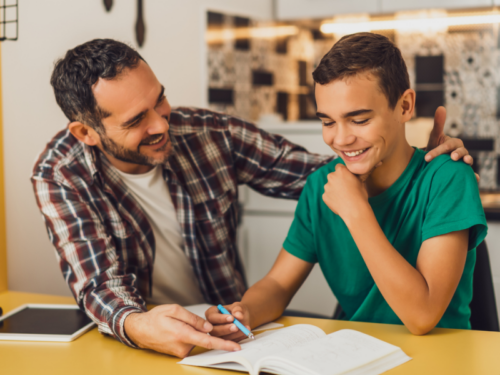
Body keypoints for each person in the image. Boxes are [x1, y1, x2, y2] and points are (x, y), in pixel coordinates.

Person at [32, 38, 473, 358]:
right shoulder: (59, 175)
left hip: (233, 328)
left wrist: (420, 155)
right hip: (153, 337)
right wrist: (141, 324)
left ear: (405, 104)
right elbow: (97, 284)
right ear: (86, 133)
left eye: (160, 100)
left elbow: (334, 166)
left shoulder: (211, 135)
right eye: (135, 120)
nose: (162, 124)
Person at [206, 32, 487, 340]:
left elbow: (422, 316)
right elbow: (278, 284)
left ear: (405, 106)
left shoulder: (448, 179)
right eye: (328, 122)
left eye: (359, 120)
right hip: (357, 353)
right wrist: (245, 311)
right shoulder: (320, 187)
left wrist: (355, 210)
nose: (340, 139)